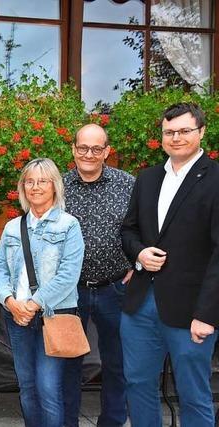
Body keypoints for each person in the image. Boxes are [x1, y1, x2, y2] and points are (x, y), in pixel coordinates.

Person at [120, 102, 219, 426]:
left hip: (192, 312)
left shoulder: (215, 179)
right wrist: (139, 254)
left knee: (193, 393)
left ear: (201, 132)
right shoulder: (147, 179)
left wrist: (207, 315)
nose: (176, 137)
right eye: (169, 132)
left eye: (184, 131)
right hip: (141, 306)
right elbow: (129, 229)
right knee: (137, 385)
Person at [0, 158, 84, 427]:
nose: (35, 187)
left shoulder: (69, 225)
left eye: (42, 181)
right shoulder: (12, 227)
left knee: (48, 389)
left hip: (52, 316)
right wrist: (10, 302)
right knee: (28, 388)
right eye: (30, 181)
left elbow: (68, 275)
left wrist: (32, 305)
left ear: (54, 186)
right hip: (17, 317)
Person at [62, 124, 134, 427]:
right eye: (82, 148)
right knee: (67, 363)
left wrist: (137, 265)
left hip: (115, 288)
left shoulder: (128, 184)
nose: (88, 154)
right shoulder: (59, 186)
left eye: (96, 149)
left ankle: (113, 422)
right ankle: (66, 423)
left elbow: (148, 227)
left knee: (117, 364)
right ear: (74, 150)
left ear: (107, 152)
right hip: (69, 290)